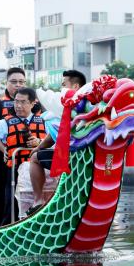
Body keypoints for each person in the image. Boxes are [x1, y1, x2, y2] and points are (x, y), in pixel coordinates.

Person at [0, 87, 47, 226]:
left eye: (23, 102)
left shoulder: (45, 121)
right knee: (11, 209)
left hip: (40, 173)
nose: (18, 105)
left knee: (39, 207)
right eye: (16, 101)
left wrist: (40, 142)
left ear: (32, 103)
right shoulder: (5, 123)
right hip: (14, 173)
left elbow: (58, 142)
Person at [27, 70, 86, 212]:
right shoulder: (87, 103)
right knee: (37, 154)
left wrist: (38, 148)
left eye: (64, 84)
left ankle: (38, 201)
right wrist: (39, 146)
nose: (61, 88)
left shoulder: (71, 104)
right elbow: (57, 132)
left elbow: (58, 132)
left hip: (74, 157)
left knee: (35, 158)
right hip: (80, 157)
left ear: (75, 86)